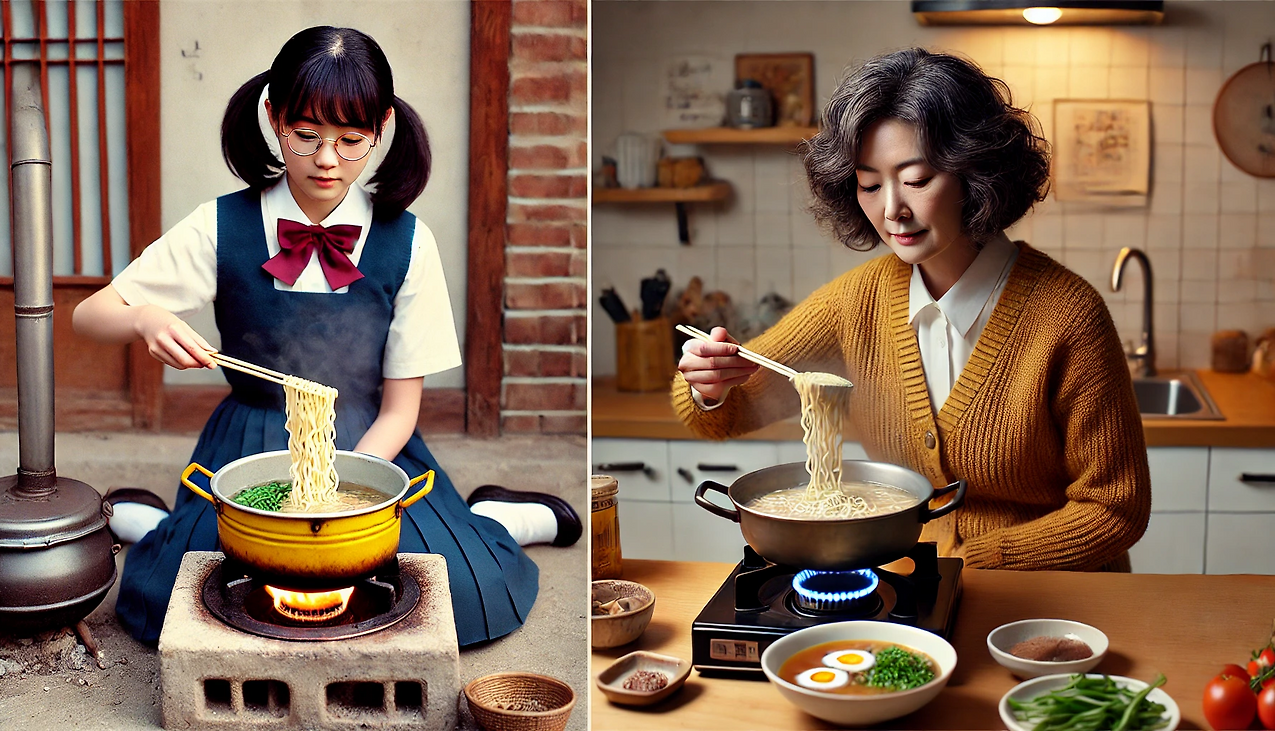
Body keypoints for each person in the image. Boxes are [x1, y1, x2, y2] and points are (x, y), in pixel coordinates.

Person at [73, 26, 579, 647]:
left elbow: (401, 408)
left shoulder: (407, 241)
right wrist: (142, 318)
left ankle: (496, 516)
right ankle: (158, 522)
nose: (327, 160)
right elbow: (87, 316)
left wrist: (343, 490)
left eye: (351, 140)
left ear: (383, 127)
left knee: (463, 594)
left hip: (375, 446)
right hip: (252, 439)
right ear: (272, 116)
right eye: (305, 135)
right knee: (181, 593)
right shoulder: (222, 225)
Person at [674, 48, 1150, 572]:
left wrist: (971, 563)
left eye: (917, 180)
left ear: (975, 172)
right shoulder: (854, 305)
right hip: (908, 598)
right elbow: (729, 408)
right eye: (870, 185)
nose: (892, 210)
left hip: (1051, 604)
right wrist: (709, 385)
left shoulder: (1067, 316)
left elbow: (1115, 507)